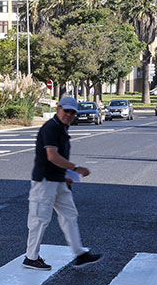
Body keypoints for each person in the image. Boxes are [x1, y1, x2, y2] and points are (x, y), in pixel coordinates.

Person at [23, 95, 100, 269]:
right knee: (39, 219)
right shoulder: (51, 128)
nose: (69, 115)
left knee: (69, 214)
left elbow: (56, 158)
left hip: (57, 180)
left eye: (73, 112)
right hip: (44, 181)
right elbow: (52, 156)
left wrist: (65, 176)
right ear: (58, 109)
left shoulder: (62, 128)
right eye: (66, 111)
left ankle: (80, 253)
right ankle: (31, 257)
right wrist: (76, 168)